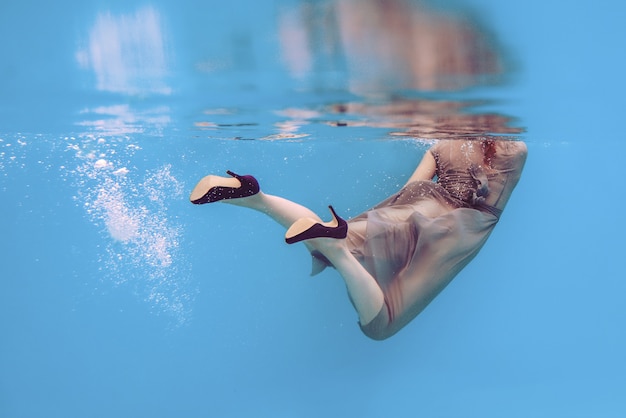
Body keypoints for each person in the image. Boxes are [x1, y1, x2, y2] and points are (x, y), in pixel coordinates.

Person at [190, 139, 527, 340]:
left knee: (339, 238)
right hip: (461, 227)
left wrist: (381, 223)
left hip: (423, 203)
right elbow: (486, 198)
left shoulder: (439, 144)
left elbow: (410, 190)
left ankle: (254, 195)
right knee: (381, 323)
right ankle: (338, 248)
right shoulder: (515, 149)